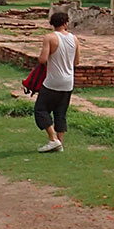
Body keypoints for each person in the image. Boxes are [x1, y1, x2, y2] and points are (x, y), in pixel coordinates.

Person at [35, 11, 80, 152]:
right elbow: (76, 62)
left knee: (40, 109)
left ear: (52, 24)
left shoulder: (50, 38)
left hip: (53, 81)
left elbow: (43, 59)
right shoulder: (74, 39)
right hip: (68, 82)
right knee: (60, 113)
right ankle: (59, 143)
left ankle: (53, 139)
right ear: (66, 23)